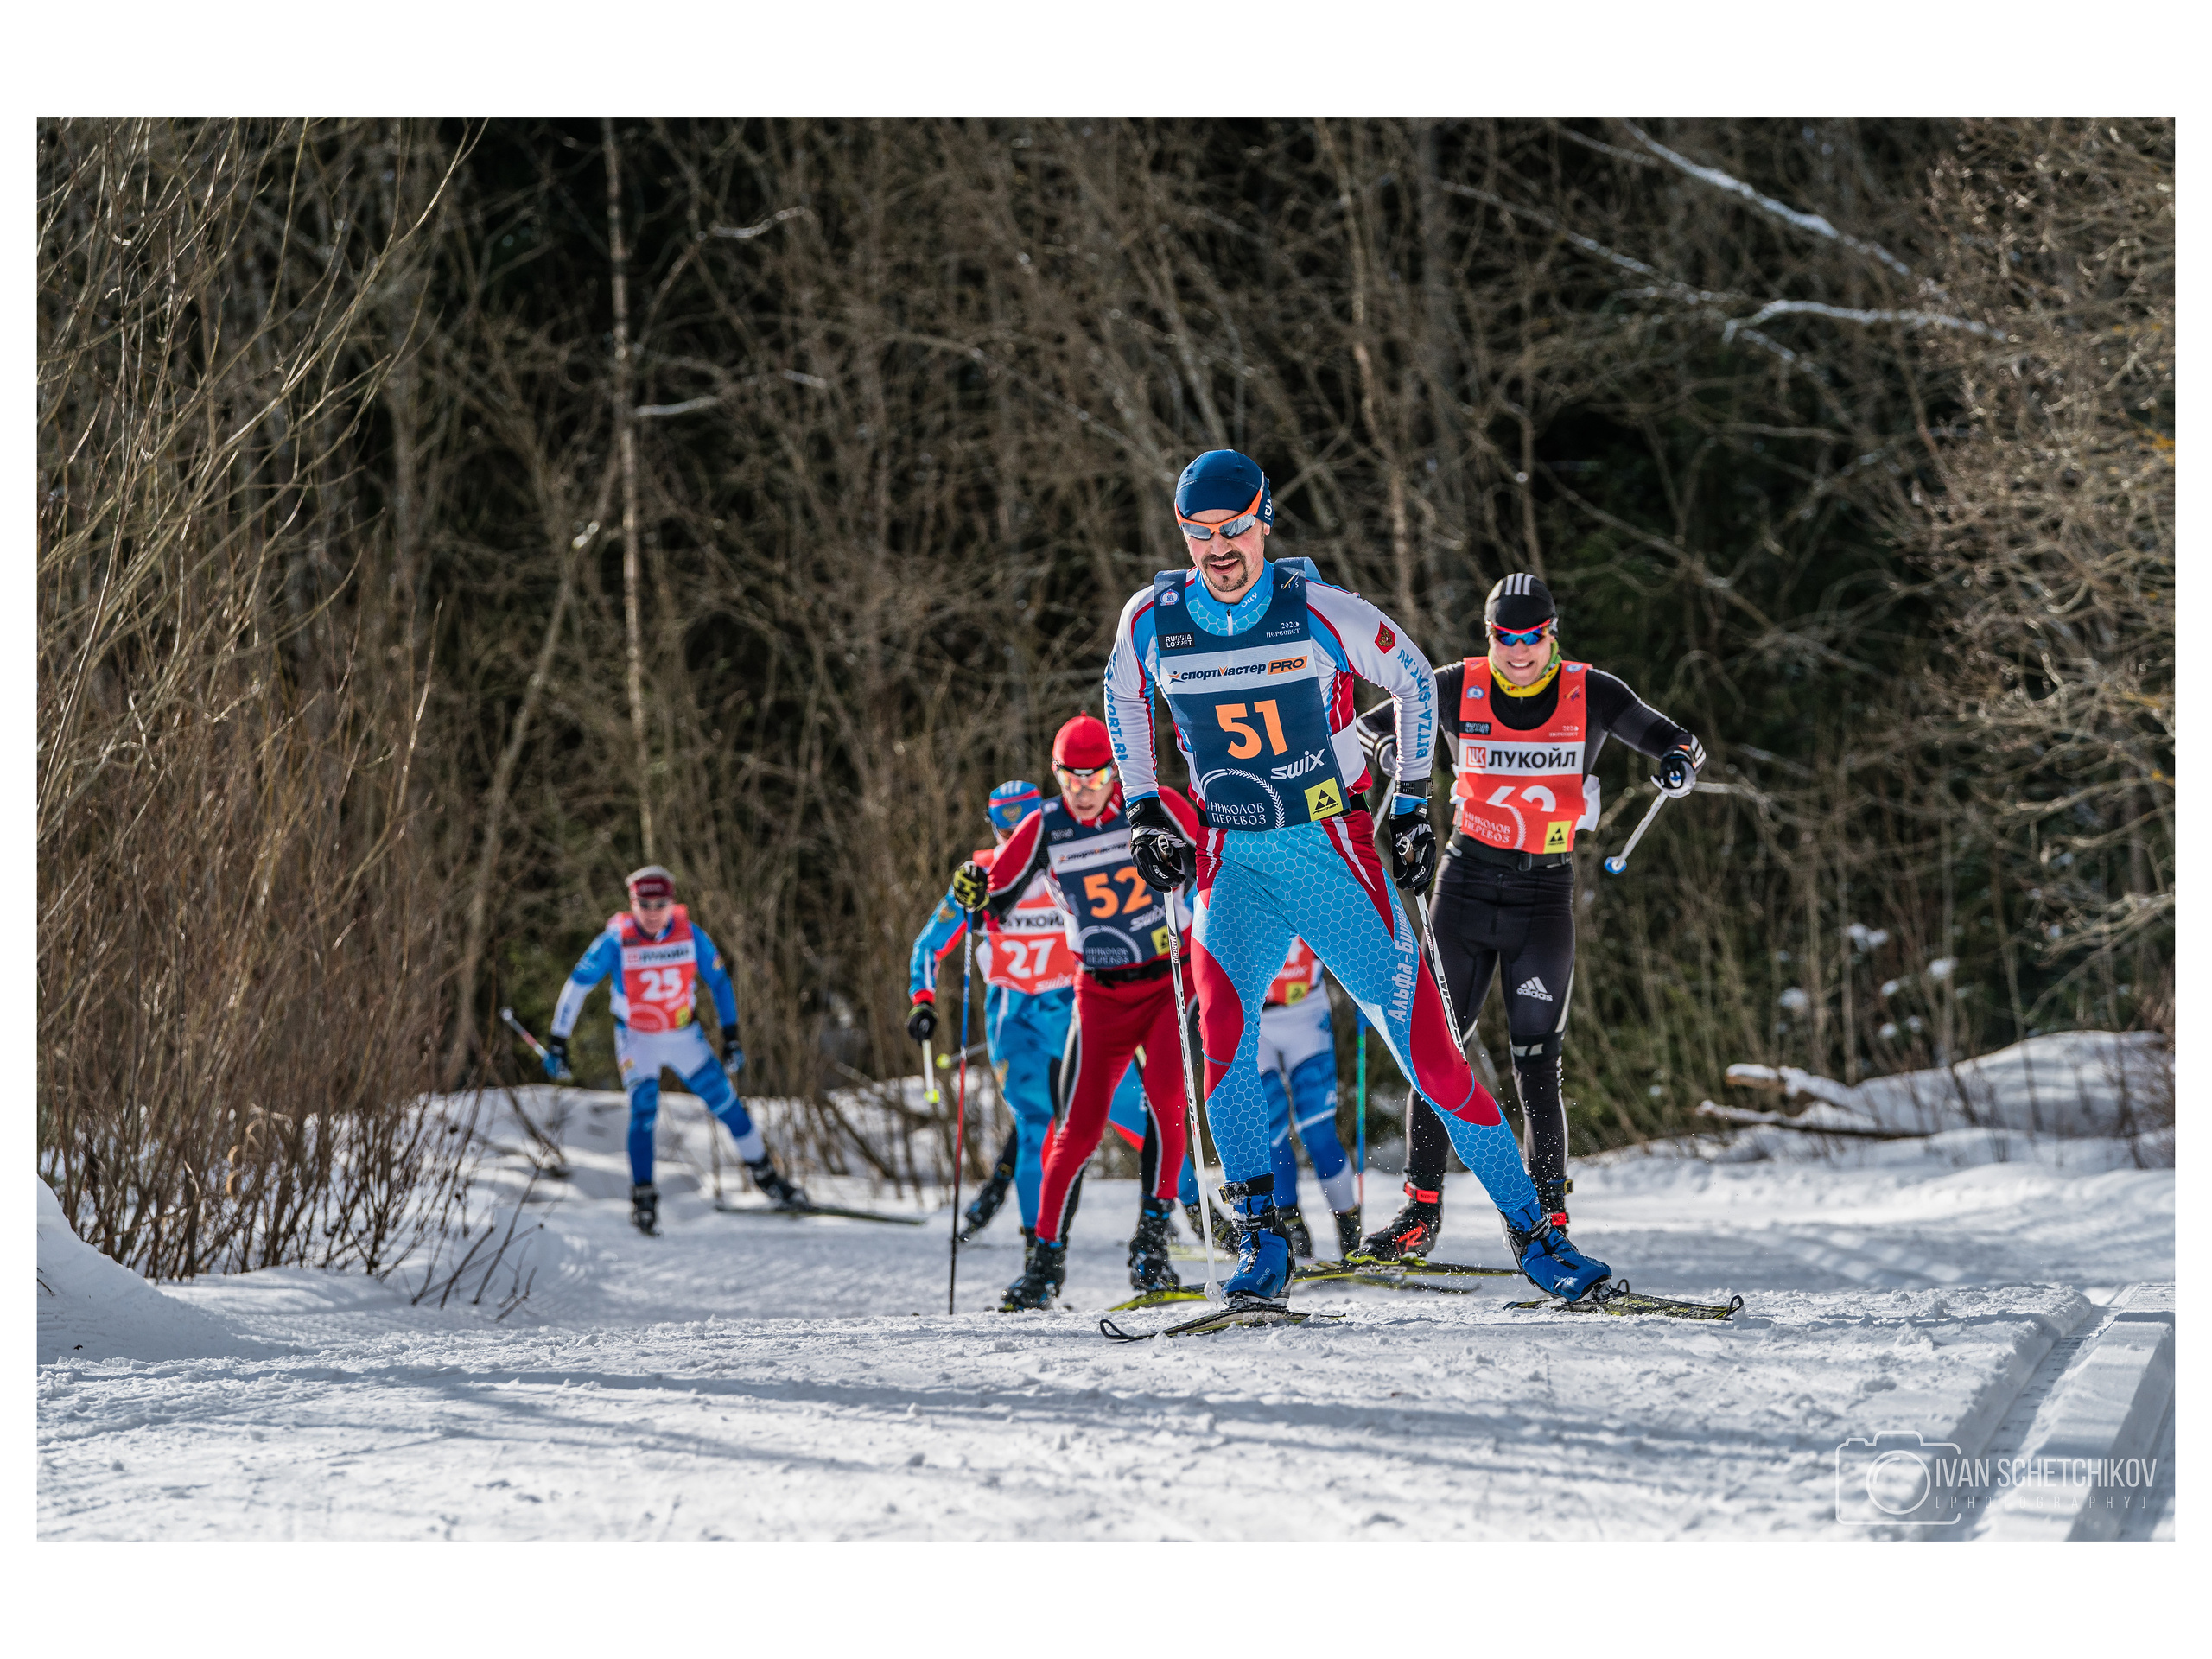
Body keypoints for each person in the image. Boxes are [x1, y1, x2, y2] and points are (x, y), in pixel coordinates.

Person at [1100, 448, 1611, 1306]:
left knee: (1433, 1061)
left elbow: (1413, 677)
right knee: (1218, 1040)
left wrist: (1411, 799)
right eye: (1199, 536)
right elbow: (1120, 698)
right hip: (1234, 863)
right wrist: (1144, 805)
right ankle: (1262, 1242)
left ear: (1264, 521)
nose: (1218, 550)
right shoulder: (1153, 619)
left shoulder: (1317, 611)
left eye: (1232, 530)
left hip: (1327, 858)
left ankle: (1537, 1237)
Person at [1353, 571, 1704, 1260]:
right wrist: (1391, 751)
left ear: (1551, 634)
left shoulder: (1589, 690)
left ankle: (1550, 1224)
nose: (1518, 651)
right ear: (1489, 637)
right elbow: (1365, 730)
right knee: (1436, 1052)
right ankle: (1420, 1213)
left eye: (1532, 637)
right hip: (1464, 887)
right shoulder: (1454, 685)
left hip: (1543, 897)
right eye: (1504, 637)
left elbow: (1676, 740)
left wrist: (1676, 764)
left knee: (1536, 1065)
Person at [952, 714, 1204, 1310]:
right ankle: (1044, 1264)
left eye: (1096, 777)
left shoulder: (1151, 803)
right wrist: (971, 886)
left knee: (1168, 1106)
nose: (1086, 790)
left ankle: (1151, 1246)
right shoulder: (1045, 827)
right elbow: (996, 889)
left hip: (1169, 980)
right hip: (1100, 991)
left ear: (1113, 772)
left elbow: (1211, 861)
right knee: (1078, 1130)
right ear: (1056, 774)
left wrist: (1188, 876)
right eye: (1073, 779)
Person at [903, 779, 1146, 1259]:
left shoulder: (1072, 859)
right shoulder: (983, 877)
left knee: (1137, 1116)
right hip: (1016, 1016)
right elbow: (929, 943)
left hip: (1080, 1008)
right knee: (1035, 1125)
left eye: (1023, 825)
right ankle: (1040, 1249)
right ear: (993, 826)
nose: (1013, 837)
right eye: (1004, 826)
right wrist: (923, 1000)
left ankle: (1200, 1217)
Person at [544, 865, 803, 1235]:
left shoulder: (690, 935)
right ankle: (644, 1199)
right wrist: (558, 1039)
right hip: (637, 1039)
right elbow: (578, 985)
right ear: (632, 902)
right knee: (644, 1111)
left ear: (672, 902)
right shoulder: (616, 940)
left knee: (727, 1103)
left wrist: (731, 1036)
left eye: (660, 903)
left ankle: (767, 1178)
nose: (652, 912)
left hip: (684, 1036)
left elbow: (719, 982)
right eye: (643, 903)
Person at [1252, 938, 1363, 1261]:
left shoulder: (1313, 886)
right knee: (1271, 1130)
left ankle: (1349, 1227)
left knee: (1316, 1129)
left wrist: (1367, 990)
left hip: (1307, 1011)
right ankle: (1291, 1224)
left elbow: (1348, 930)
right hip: (1253, 1016)